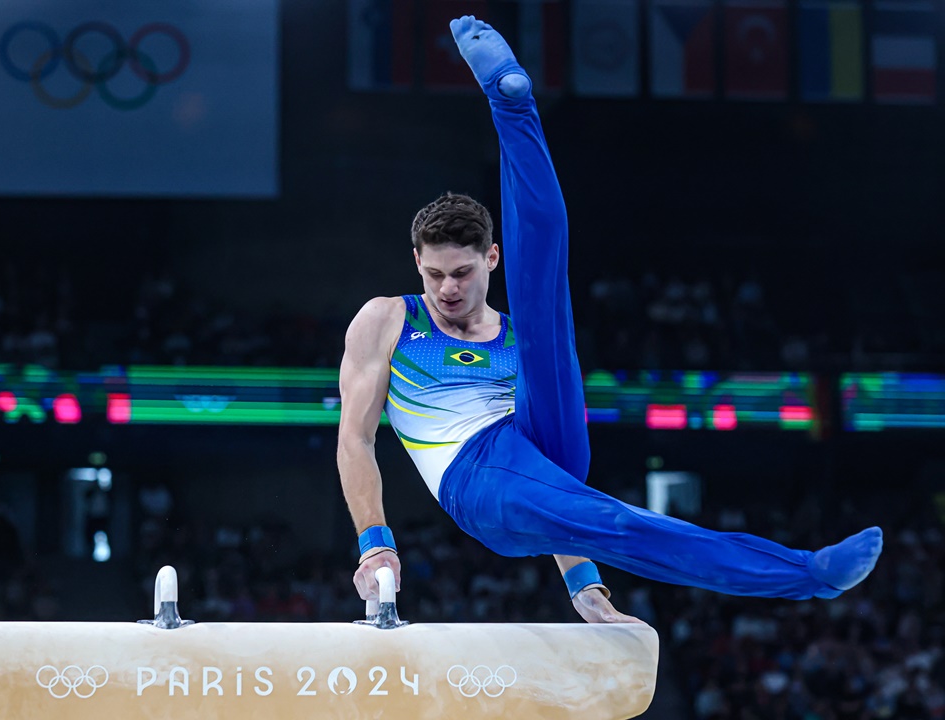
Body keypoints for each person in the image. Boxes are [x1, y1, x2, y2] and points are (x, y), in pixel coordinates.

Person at [336, 16, 883, 623]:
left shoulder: (516, 337)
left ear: (492, 257)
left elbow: (555, 490)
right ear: (416, 262)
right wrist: (375, 544)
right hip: (477, 479)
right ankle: (806, 574)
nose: (447, 289)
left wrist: (586, 592)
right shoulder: (387, 320)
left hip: (542, 445)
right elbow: (355, 440)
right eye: (434, 274)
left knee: (545, 290)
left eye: (463, 272)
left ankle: (511, 101)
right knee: (616, 519)